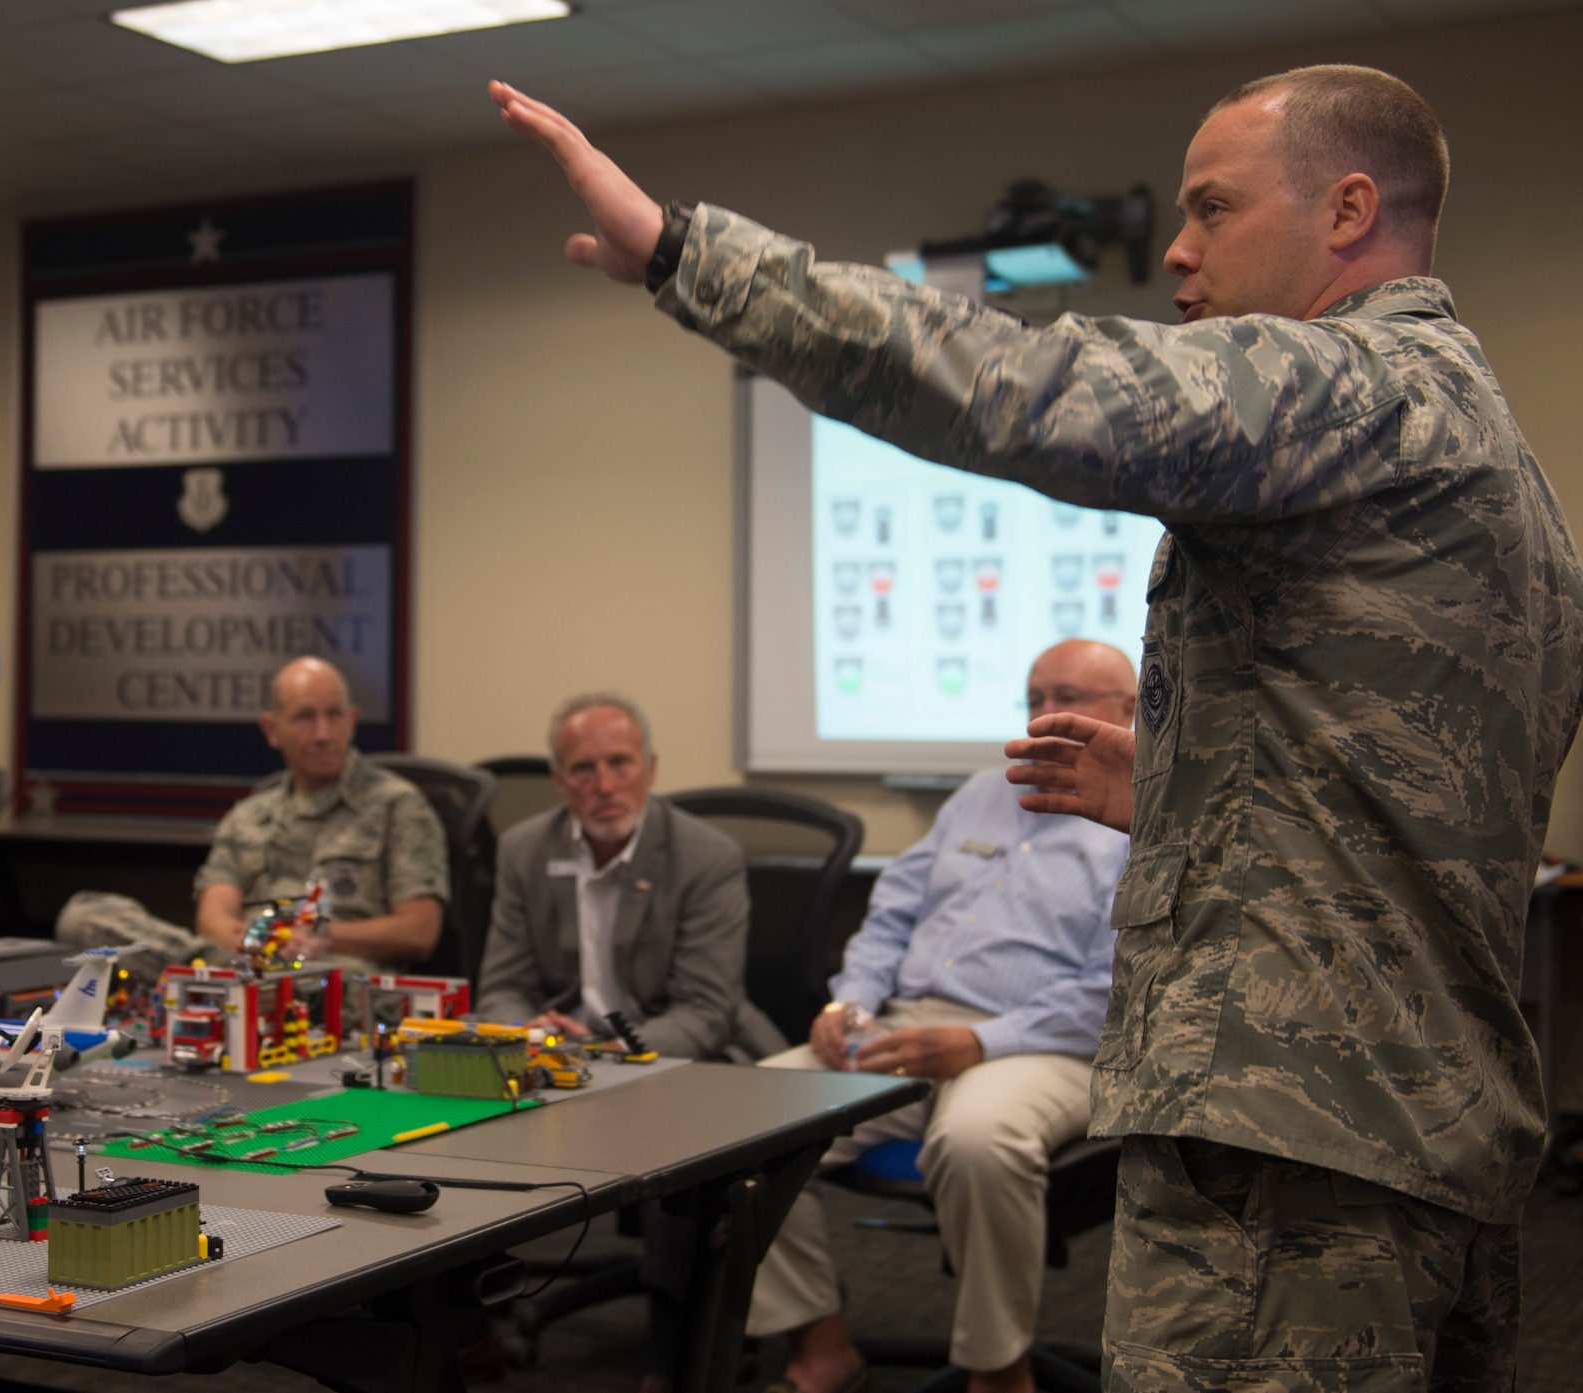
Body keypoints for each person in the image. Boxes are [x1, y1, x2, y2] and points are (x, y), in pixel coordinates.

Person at [492, 65, 1583, 1390]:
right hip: (1427, 1126)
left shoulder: (1351, 384)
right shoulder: (1490, 450)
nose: (1178, 248)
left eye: (1214, 208)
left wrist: (686, 255)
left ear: (1350, 208)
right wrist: (1182, 782)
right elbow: (1407, 799)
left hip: (1288, 1154)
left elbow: (1019, 382)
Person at [749, 642, 1133, 1393]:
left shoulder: (1143, 818)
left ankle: (999, 1368)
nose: (1049, 711)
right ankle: (819, 1339)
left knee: (978, 1140)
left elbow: (1117, 988)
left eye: (1074, 695)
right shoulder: (980, 794)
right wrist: (847, 1001)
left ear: (1128, 712)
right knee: (745, 1123)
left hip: (1045, 1043)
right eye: (1037, 692)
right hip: (907, 1024)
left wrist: (978, 1041)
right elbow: (890, 913)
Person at [57, 656, 449, 976]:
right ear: (271, 729)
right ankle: (228, 977)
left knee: (328, 976)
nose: (323, 733)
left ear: (352, 720)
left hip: (333, 975)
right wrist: (257, 942)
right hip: (241, 961)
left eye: (334, 715)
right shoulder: (250, 815)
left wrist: (320, 936)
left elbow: (419, 931)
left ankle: (237, 981)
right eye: (305, 717)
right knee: (85, 917)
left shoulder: (399, 806)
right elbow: (212, 917)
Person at [476, 692, 784, 1062]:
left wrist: (607, 1052)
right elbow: (502, 988)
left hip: (675, 1059)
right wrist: (524, 1033)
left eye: (620, 763)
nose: (605, 787)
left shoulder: (707, 858)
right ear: (558, 780)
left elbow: (705, 1011)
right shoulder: (523, 851)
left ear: (650, 769)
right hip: (556, 1060)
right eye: (583, 770)